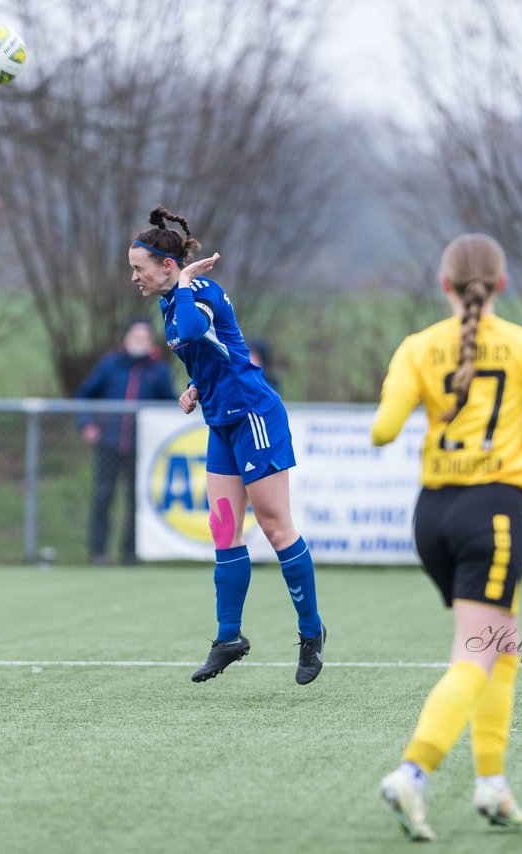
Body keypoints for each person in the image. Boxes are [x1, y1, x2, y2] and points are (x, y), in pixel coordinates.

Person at [370, 234, 522, 842]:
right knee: (479, 653)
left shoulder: (417, 347)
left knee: (502, 648)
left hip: (431, 517)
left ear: (444, 285)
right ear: (501, 285)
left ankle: (493, 783)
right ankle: (413, 772)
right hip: (494, 514)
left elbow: (382, 431)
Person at [128, 205, 326, 685]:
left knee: (277, 529)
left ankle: (310, 632)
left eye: (139, 267)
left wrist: (187, 284)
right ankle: (229, 637)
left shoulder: (197, 292)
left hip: (255, 415)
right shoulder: (172, 299)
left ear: (166, 265)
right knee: (223, 529)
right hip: (221, 419)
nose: (133, 276)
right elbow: (207, 350)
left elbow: (197, 329)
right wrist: (196, 386)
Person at [75, 319, 176, 565]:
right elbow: (84, 394)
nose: (140, 341)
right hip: (109, 443)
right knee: (103, 497)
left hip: (141, 448)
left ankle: (130, 553)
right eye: (136, 336)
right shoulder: (110, 365)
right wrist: (86, 423)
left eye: (145, 337)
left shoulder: (158, 370)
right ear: (126, 338)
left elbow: (170, 405)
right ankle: (98, 552)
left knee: (136, 500)